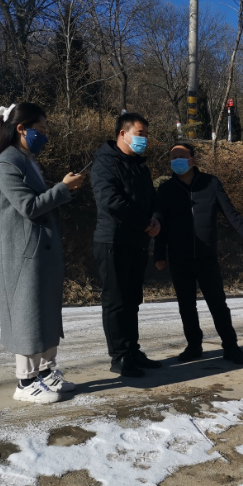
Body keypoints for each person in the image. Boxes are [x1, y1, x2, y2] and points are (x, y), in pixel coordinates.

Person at [0, 103, 84, 403]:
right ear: (21, 128)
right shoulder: (7, 163)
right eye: (40, 129)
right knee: (28, 315)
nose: (44, 135)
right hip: (21, 254)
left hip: (38, 251)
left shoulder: (25, 159)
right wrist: (63, 188)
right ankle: (25, 382)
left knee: (45, 312)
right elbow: (28, 207)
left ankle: (45, 372)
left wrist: (63, 189)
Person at [154, 143, 243, 365]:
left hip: (206, 255)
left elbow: (230, 212)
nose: (177, 160)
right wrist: (159, 254)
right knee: (186, 305)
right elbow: (161, 223)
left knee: (217, 303)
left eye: (181, 156)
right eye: (173, 157)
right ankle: (194, 346)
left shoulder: (211, 183)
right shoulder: (166, 189)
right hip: (179, 256)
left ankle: (231, 346)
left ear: (193, 159)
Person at [91, 113, 161, 378]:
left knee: (132, 300)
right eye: (140, 134)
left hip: (137, 242)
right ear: (123, 133)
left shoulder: (140, 166)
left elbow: (153, 199)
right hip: (113, 240)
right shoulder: (105, 162)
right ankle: (119, 356)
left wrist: (156, 219)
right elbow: (111, 201)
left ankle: (132, 350)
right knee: (116, 301)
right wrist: (144, 223)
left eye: (146, 135)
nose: (144, 139)